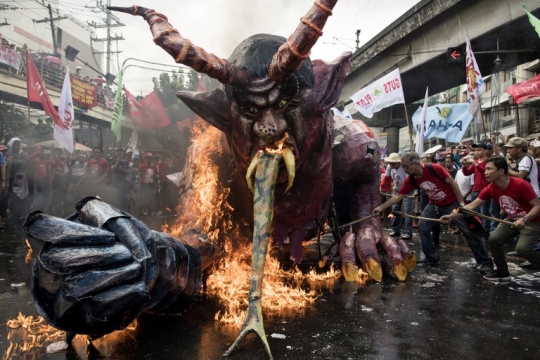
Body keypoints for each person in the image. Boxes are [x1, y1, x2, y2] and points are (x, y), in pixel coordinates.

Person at [373, 151, 493, 271]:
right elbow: (398, 196)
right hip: (434, 204)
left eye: (405, 166)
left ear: (415, 164)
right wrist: (380, 207)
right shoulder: (412, 179)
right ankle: (431, 257)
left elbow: (453, 183)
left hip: (452, 203)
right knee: (422, 226)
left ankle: (485, 261)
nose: (404, 169)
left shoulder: (434, 168)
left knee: (469, 231)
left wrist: (461, 206)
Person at [442, 157, 540, 281]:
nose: (485, 172)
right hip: (511, 219)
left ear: (501, 171)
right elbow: (471, 206)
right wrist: (451, 216)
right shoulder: (490, 188)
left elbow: (538, 206)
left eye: (489, 169)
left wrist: (524, 219)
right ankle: (502, 272)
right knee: (494, 239)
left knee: (522, 249)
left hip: (532, 220)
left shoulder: (521, 184)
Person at [461, 142, 492, 231]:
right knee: (475, 214)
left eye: (479, 150)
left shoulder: (488, 161)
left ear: (485, 151)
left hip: (485, 191)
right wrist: (464, 165)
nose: (476, 152)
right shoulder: (476, 162)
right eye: (475, 150)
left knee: (484, 214)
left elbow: (485, 172)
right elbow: (467, 173)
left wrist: (474, 163)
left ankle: (486, 233)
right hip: (475, 191)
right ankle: (478, 231)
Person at [382, 153, 413, 239]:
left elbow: (408, 181)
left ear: (398, 162)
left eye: (393, 163)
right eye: (390, 163)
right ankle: (395, 229)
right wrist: (384, 187)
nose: (392, 165)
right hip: (397, 189)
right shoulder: (389, 167)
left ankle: (408, 232)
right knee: (395, 210)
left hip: (407, 189)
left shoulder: (404, 168)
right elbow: (386, 178)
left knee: (407, 211)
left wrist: (402, 193)